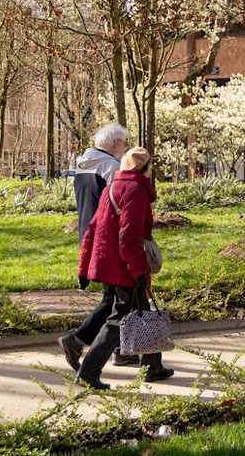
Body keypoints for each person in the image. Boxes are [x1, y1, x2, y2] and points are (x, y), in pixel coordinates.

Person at [72, 147, 173, 390]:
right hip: (124, 266)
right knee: (119, 319)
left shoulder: (111, 188)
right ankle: (88, 372)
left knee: (143, 309)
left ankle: (153, 366)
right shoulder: (136, 191)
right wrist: (139, 272)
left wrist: (83, 268)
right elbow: (129, 239)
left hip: (110, 262)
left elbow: (92, 230)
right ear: (145, 169)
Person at [59, 124, 135, 372]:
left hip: (89, 235)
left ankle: (121, 350)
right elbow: (119, 204)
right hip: (109, 240)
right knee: (115, 296)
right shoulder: (111, 167)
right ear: (115, 143)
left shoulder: (83, 163)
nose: (124, 149)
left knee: (116, 295)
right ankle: (79, 340)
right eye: (124, 143)